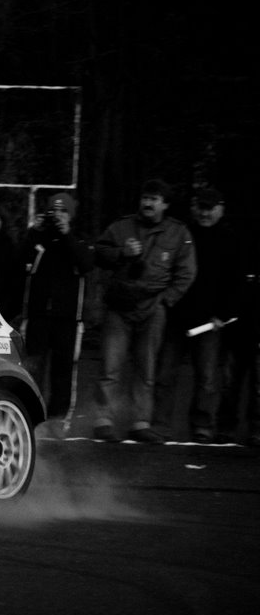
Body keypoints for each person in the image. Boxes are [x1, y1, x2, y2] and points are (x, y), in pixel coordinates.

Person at [92, 179, 196, 443]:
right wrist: (121, 253)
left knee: (146, 368)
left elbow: (187, 272)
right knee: (110, 366)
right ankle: (103, 419)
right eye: (145, 198)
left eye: (154, 199)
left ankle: (140, 422)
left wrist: (166, 300)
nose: (148, 203)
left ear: (165, 204)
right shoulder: (121, 226)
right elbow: (98, 253)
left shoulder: (178, 232)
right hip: (119, 305)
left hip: (153, 307)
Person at [152, 188, 237, 443]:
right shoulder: (181, 233)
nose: (204, 213)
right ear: (193, 207)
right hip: (176, 316)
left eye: (209, 208)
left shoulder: (229, 238)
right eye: (201, 207)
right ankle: (160, 424)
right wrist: (167, 304)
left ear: (220, 209)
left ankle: (202, 425)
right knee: (165, 374)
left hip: (209, 321)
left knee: (207, 378)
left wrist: (222, 315)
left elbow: (234, 281)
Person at [18, 192, 94, 431]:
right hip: (38, 316)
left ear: (71, 215)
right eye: (54, 211)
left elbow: (86, 264)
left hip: (68, 319)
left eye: (63, 211)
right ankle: (31, 419)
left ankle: (59, 420)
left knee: (63, 372)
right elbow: (20, 261)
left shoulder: (79, 238)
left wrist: (66, 235)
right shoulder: (39, 237)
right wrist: (34, 231)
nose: (58, 216)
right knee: (32, 369)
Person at [216, 194, 260, 446]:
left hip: (250, 321)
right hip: (238, 322)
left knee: (256, 383)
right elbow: (231, 282)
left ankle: (255, 429)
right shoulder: (240, 240)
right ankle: (226, 427)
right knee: (231, 380)